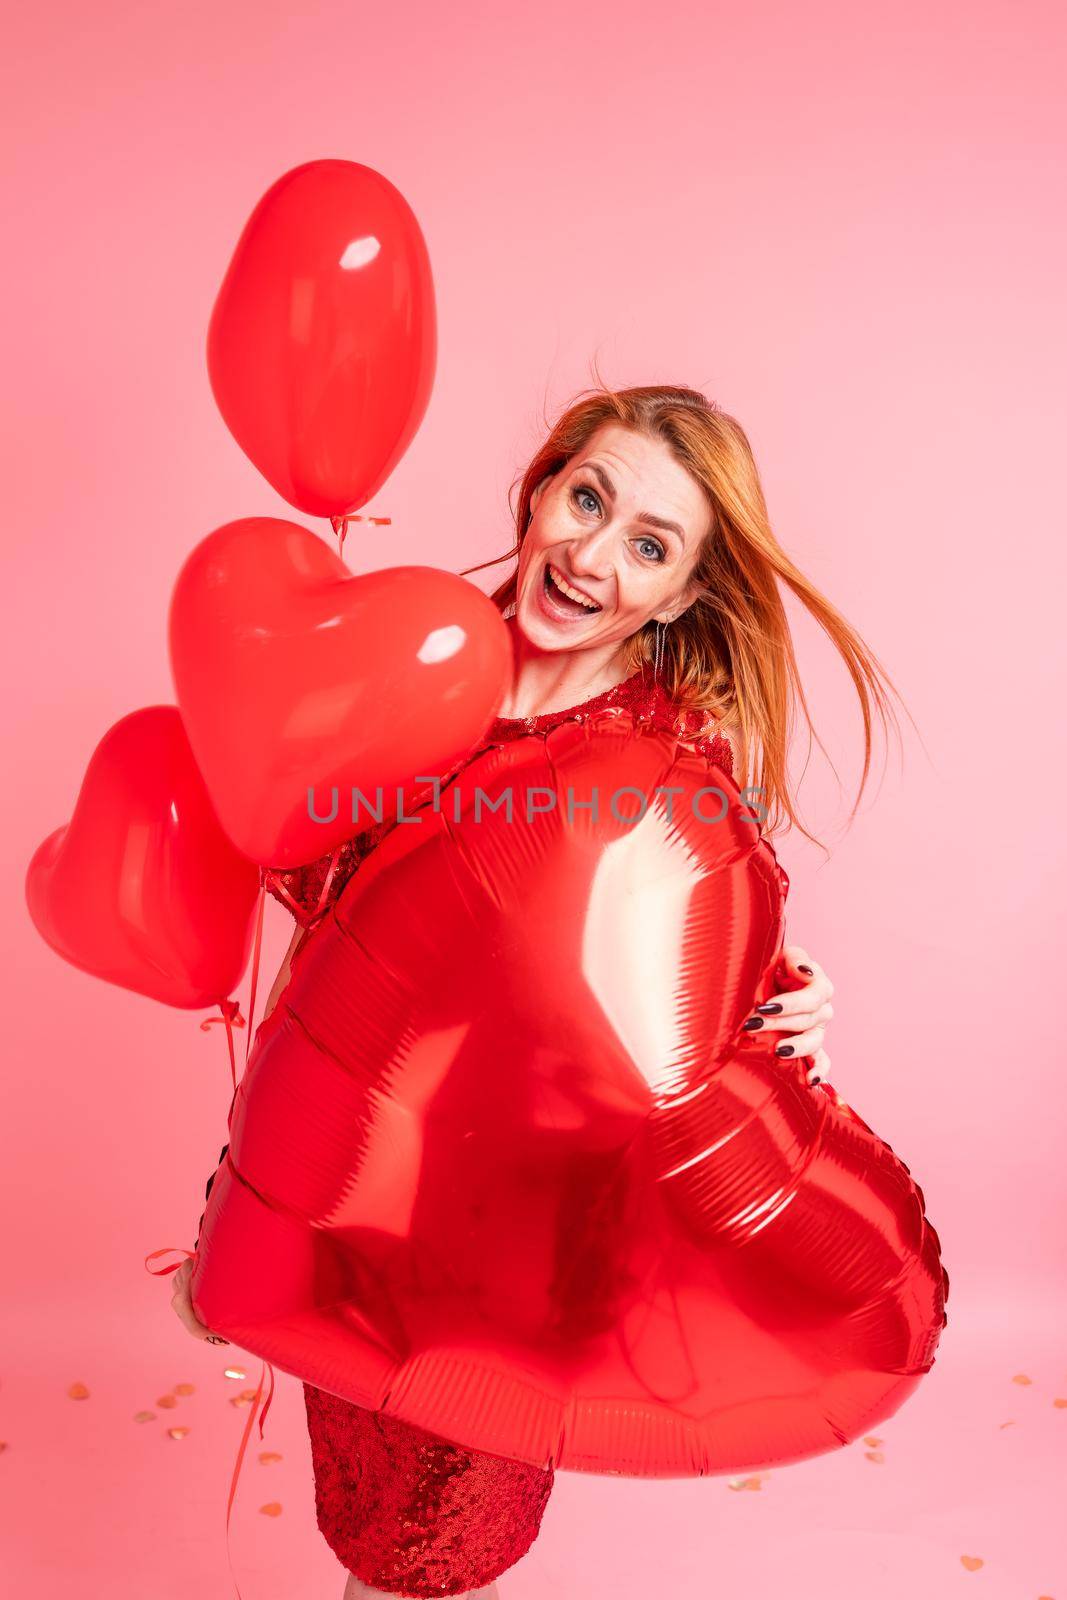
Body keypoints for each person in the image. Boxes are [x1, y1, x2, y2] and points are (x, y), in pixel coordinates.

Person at [171, 382, 905, 1598]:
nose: (592, 555)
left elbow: (682, 968)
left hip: (534, 1236)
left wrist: (792, 1005)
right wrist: (239, 1202)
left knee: (434, 1549)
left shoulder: (671, 749)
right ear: (540, 486)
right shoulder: (402, 656)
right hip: (357, 1181)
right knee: (369, 1517)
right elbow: (320, 922)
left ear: (678, 596)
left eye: (649, 545)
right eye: (588, 497)